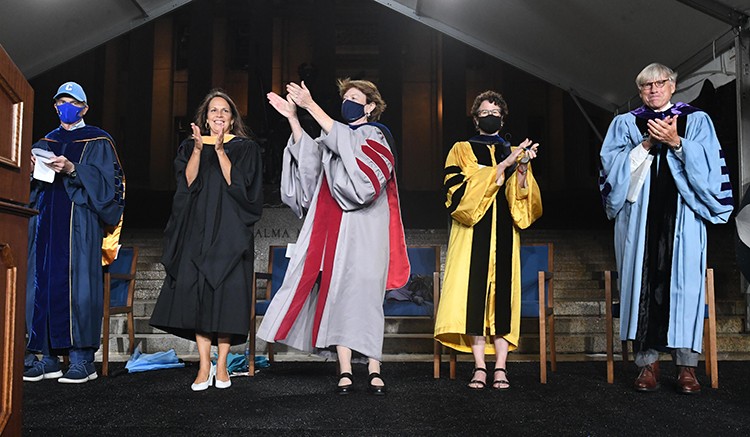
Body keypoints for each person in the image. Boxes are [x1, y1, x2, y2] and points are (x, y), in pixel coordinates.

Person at [258, 78, 410, 395]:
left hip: (368, 231)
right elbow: (312, 168)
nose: (348, 102)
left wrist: (312, 105)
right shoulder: (334, 139)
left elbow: (364, 184)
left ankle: (373, 366)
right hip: (337, 234)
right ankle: (344, 370)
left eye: (355, 97)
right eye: (345, 97)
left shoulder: (378, 137)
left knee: (368, 298)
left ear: (370, 106)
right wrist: (293, 118)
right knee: (338, 295)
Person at [599, 63, 734, 394]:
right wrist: (645, 145)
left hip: (684, 221)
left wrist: (677, 143)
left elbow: (711, 168)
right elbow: (609, 170)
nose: (654, 89)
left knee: (684, 289)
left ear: (673, 87)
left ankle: (687, 368)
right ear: (641, 91)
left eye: (661, 83)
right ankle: (648, 365)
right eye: (647, 85)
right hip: (638, 221)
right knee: (642, 287)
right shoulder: (624, 124)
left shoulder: (697, 121)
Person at [150, 90, 263, 391]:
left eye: (225, 111)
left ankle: (222, 365)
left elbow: (241, 188)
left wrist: (222, 150)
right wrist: (200, 150)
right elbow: (186, 184)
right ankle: (204, 365)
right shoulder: (190, 146)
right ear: (205, 116)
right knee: (199, 295)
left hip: (230, 233)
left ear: (232, 117)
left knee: (227, 296)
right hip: (197, 231)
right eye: (213, 110)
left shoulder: (245, 148)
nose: (219, 115)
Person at [434, 90, 542, 390]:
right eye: (485, 111)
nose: (490, 115)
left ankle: (501, 368)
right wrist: (504, 164)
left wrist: (521, 167)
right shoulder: (461, 149)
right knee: (474, 298)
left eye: (496, 111)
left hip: (505, 232)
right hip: (472, 233)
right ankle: (480, 366)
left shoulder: (513, 150)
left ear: (503, 117)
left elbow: (523, 202)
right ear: (475, 118)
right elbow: (456, 191)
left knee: (503, 300)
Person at [24, 81, 126, 384]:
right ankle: (49, 359)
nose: (65, 107)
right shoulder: (45, 142)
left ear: (84, 107)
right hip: (45, 225)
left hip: (79, 227)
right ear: (55, 106)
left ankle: (83, 360)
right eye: (60, 102)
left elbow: (111, 186)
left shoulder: (99, 141)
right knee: (41, 286)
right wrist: (30, 171)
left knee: (79, 289)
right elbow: (31, 191)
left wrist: (73, 169)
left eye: (72, 102)